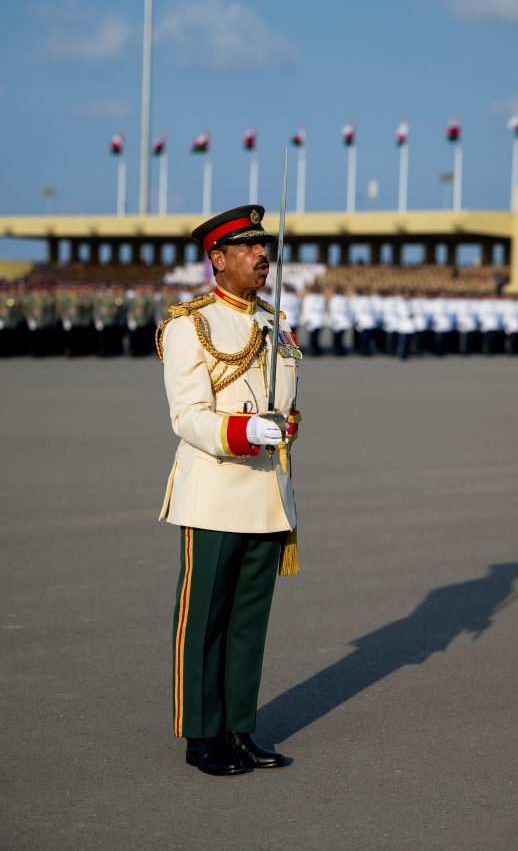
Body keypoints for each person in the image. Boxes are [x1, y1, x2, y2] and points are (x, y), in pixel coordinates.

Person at [156, 205, 302, 777]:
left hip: (267, 495)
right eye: (246, 247)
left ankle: (239, 728)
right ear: (217, 259)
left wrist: (282, 425)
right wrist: (243, 429)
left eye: (263, 247)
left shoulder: (274, 320)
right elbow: (187, 416)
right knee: (204, 622)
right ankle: (201, 735)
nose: (261, 256)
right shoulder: (189, 324)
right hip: (214, 496)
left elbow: (284, 403)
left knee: (248, 623)